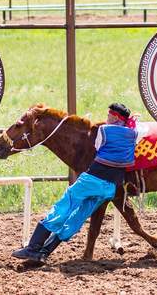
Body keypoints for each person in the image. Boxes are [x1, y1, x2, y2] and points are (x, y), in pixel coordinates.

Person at [12, 103, 137, 263]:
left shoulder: (104, 130)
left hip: (92, 179)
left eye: (109, 115)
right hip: (110, 187)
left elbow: (97, 147)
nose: (107, 117)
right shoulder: (132, 134)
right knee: (77, 217)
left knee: (63, 207)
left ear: (114, 117)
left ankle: (33, 247)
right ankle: (45, 252)